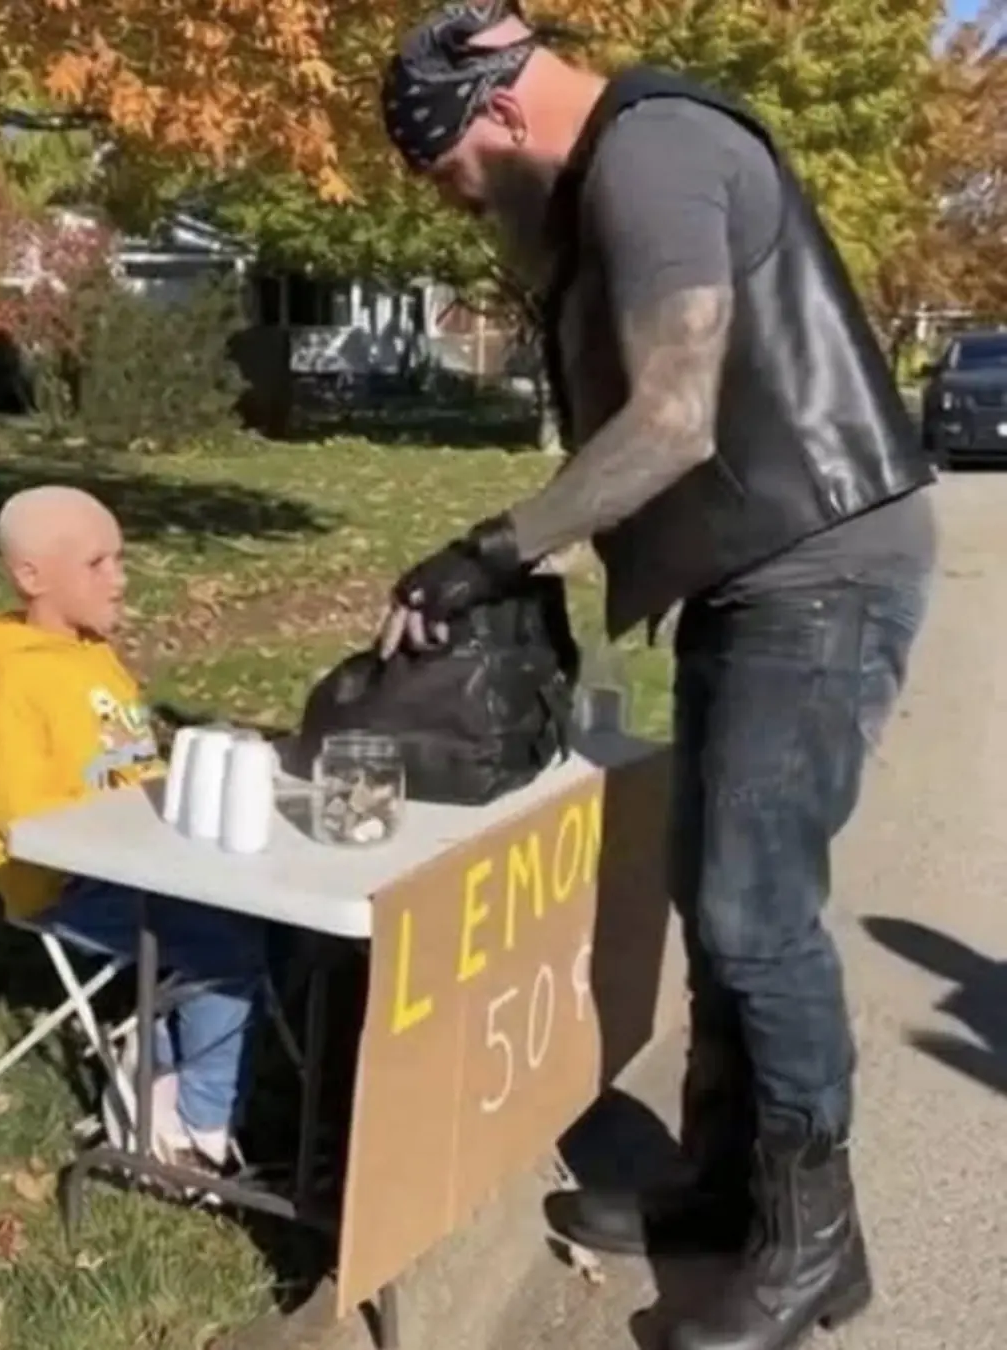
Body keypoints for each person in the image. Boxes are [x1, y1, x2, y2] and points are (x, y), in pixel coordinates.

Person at [378, 5, 936, 1349]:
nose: (469, 209)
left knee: (756, 911)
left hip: (821, 567)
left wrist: (488, 548)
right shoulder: (627, 164)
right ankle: (721, 1184)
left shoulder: (655, 152)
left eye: (456, 176)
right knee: (713, 887)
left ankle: (815, 1244)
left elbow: (676, 417)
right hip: (762, 565)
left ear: (500, 114)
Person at [0, 485, 269, 1173]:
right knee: (224, 952)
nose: (121, 579)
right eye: (98, 563)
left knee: (273, 914)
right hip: (67, 886)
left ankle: (157, 1058)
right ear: (32, 577)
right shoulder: (8, 689)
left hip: (146, 859)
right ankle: (191, 1131)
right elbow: (35, 829)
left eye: (120, 559)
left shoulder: (92, 655)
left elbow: (127, 766)